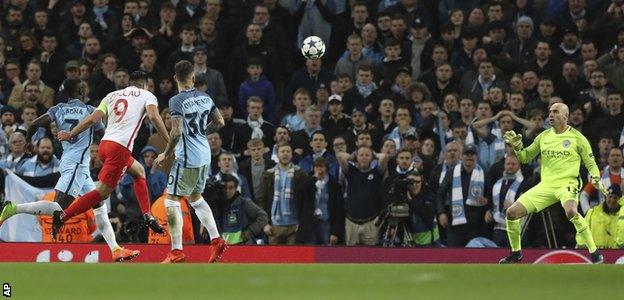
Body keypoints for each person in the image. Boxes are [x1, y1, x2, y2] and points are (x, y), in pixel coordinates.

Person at [0, 78, 139, 261]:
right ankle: (13, 208)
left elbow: (33, 124)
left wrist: (28, 142)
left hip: (73, 162)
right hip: (76, 165)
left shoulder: (57, 109)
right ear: (81, 91)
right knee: (59, 207)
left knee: (99, 206)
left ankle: (115, 249)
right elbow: (103, 136)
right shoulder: (90, 111)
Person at [54, 71, 169, 240]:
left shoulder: (111, 95)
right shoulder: (147, 95)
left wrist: (71, 134)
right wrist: (169, 140)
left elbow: (92, 120)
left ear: (130, 82)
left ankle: (147, 215)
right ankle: (62, 217)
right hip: (119, 148)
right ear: (145, 84)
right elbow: (153, 116)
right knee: (102, 193)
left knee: (139, 172)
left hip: (105, 145)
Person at [500, 103, 607, 263]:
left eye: (555, 112)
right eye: (550, 112)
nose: (550, 114)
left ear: (565, 116)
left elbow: (591, 163)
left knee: (571, 212)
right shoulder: (543, 136)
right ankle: (516, 253)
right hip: (546, 186)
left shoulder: (578, 138)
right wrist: (517, 147)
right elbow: (525, 158)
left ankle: (594, 252)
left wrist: (596, 177)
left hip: (567, 184)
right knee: (511, 213)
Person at [153, 60, 227, 263]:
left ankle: (176, 251)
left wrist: (166, 153)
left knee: (171, 200)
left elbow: (176, 131)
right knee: (195, 198)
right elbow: (220, 121)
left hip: (187, 158)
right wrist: (202, 132)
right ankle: (217, 240)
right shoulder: (205, 97)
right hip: (204, 155)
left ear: (175, 78)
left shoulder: (176, 101)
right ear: (193, 77)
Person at [214, 174, 268, 245]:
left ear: (236, 188)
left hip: (243, 246)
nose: (227, 191)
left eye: (231, 188)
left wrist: (250, 231)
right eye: (224, 188)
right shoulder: (216, 204)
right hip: (222, 247)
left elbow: (263, 216)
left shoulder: (244, 203)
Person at [576, 184, 623, 249]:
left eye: (615, 198)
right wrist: (581, 248)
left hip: (616, 255)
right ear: (605, 197)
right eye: (610, 196)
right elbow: (582, 232)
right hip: (594, 255)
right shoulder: (592, 213)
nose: (612, 200)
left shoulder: (622, 216)